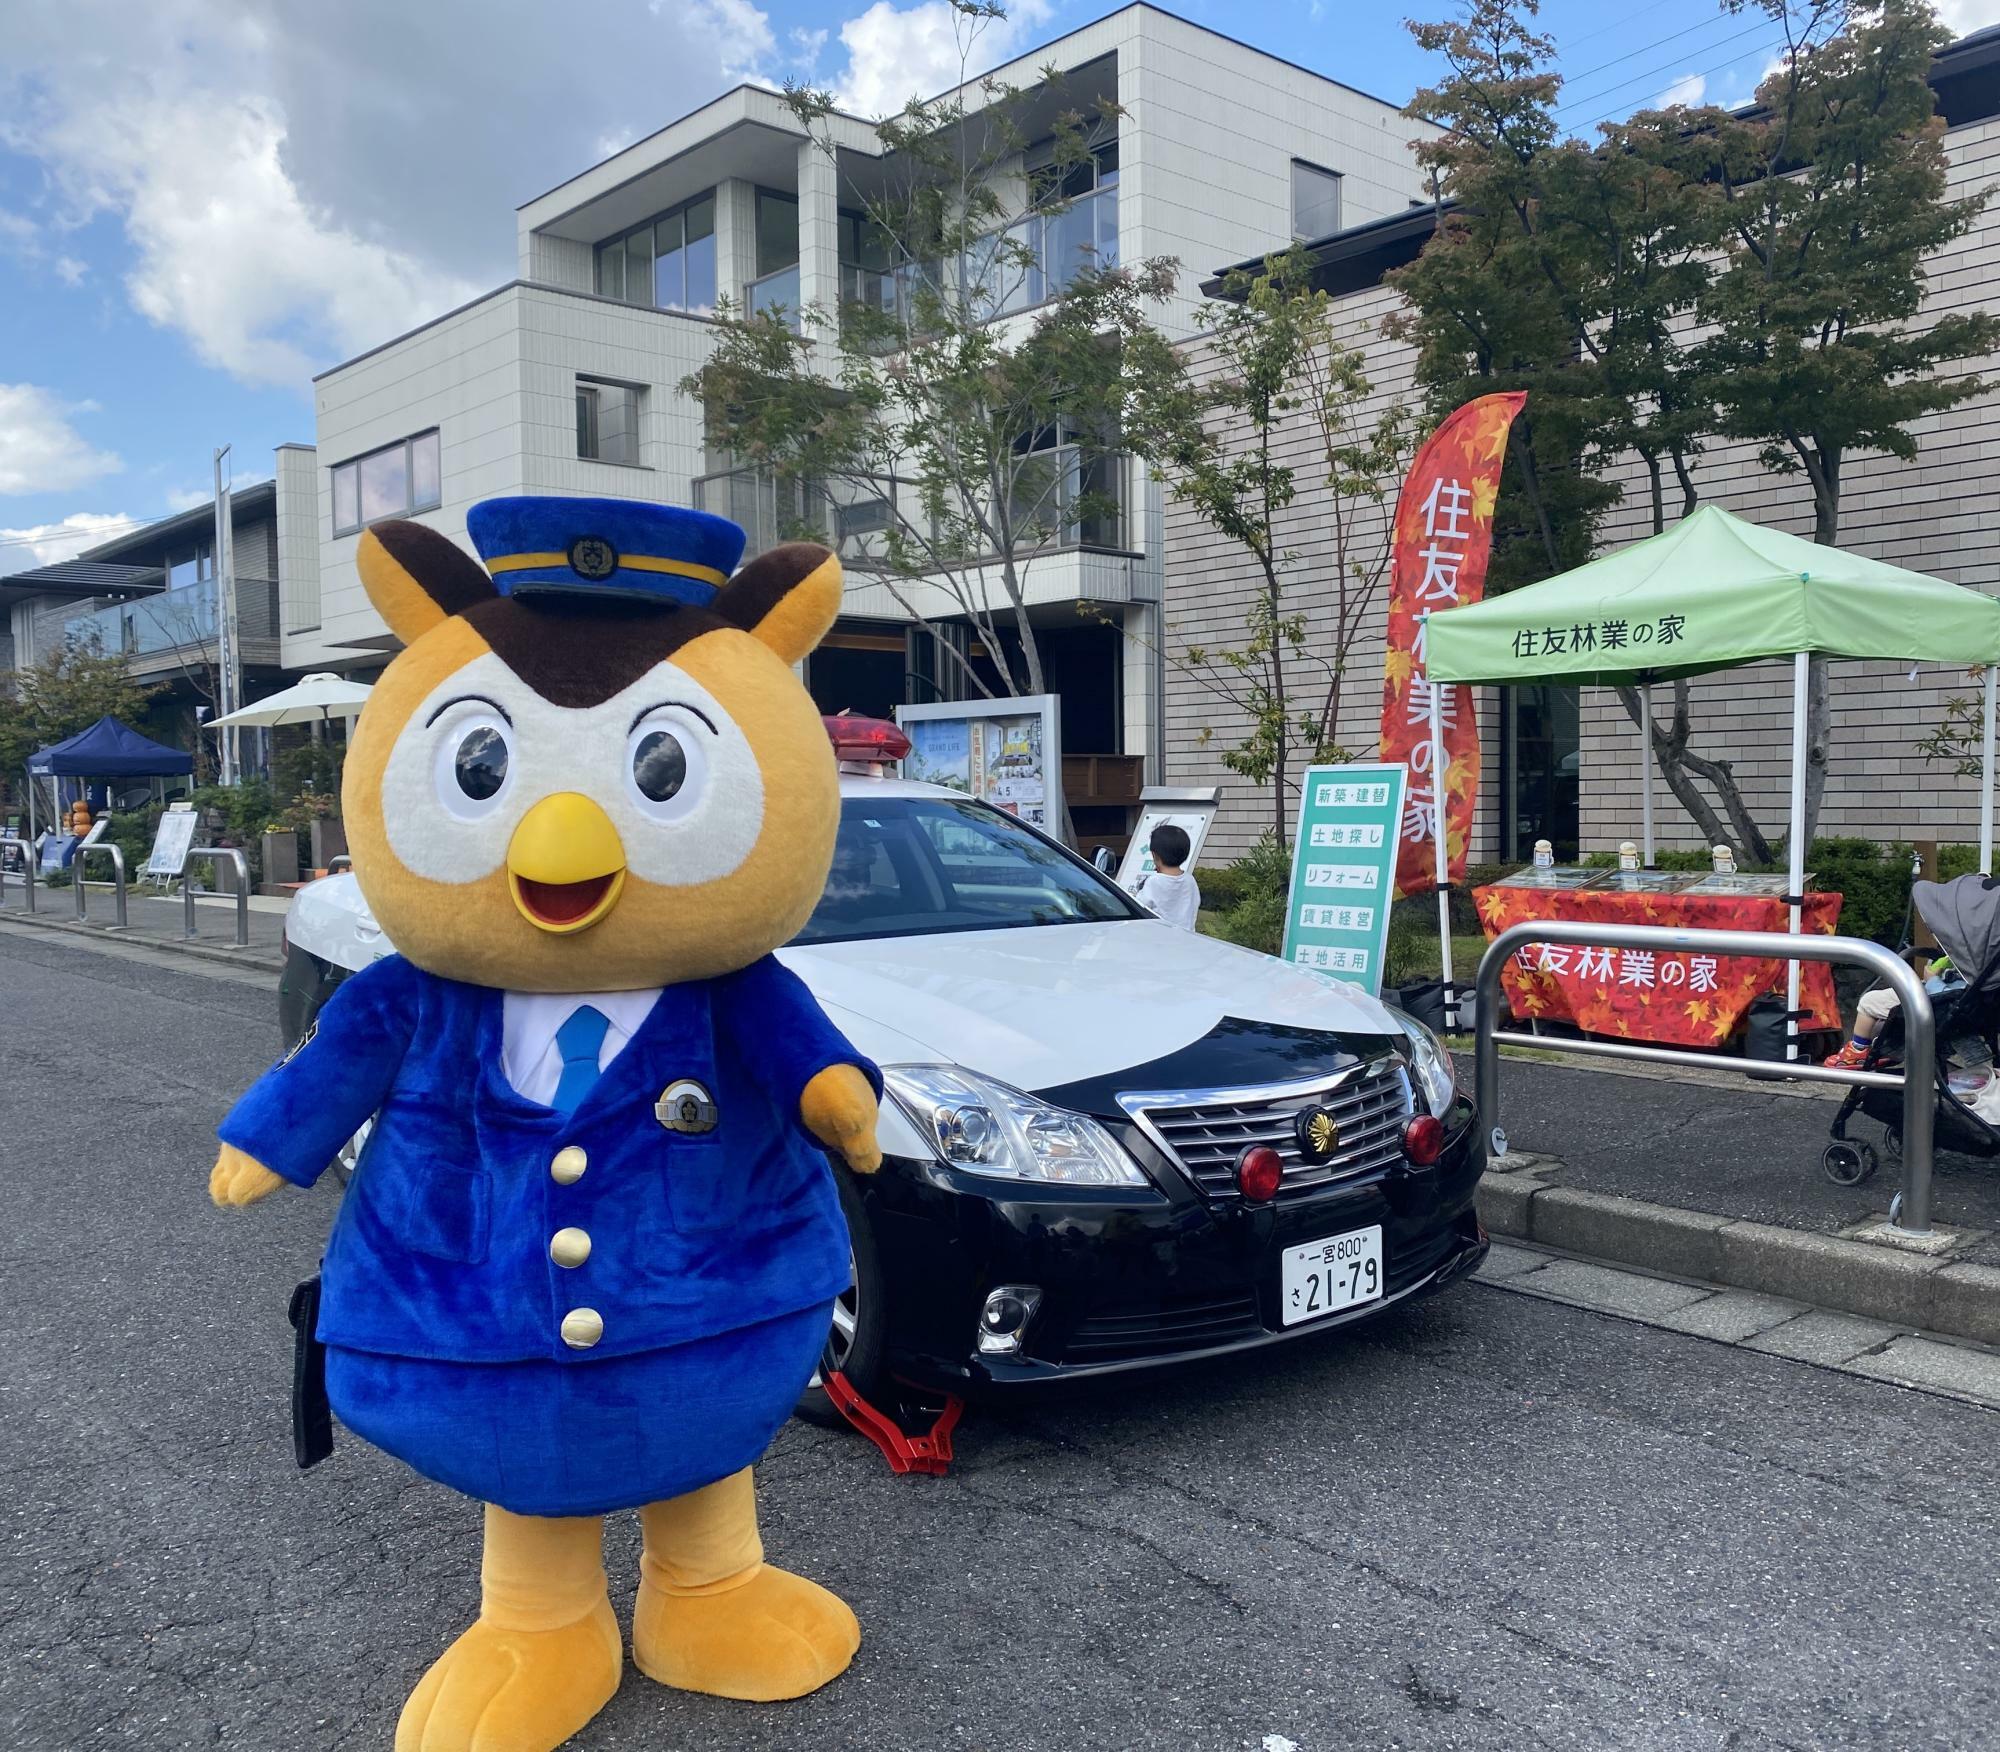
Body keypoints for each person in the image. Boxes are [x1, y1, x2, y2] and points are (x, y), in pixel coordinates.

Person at [1825, 951, 1957, 1069]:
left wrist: (1932, 979)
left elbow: (1944, 992)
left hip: (1938, 1000)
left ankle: (1858, 1050)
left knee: (1869, 1001)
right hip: (1955, 998)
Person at [1132, 822, 1199, 931]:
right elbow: (1195, 905)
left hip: (1160, 939)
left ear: (1154, 855)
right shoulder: (1190, 880)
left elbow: (1139, 906)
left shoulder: (1154, 882)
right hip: (1187, 938)